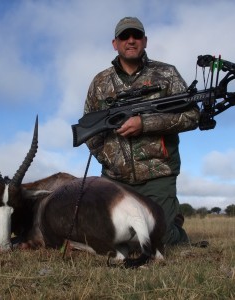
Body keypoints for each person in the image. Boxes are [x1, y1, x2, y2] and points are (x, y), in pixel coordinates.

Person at [84, 17, 200, 245]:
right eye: (124, 36)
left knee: (157, 240)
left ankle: (173, 226)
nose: (131, 41)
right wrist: (108, 159)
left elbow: (192, 116)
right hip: (115, 178)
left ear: (145, 41)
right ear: (114, 43)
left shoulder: (167, 74)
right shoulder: (100, 82)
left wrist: (145, 124)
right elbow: (89, 128)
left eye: (136, 36)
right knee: (108, 240)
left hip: (158, 174)